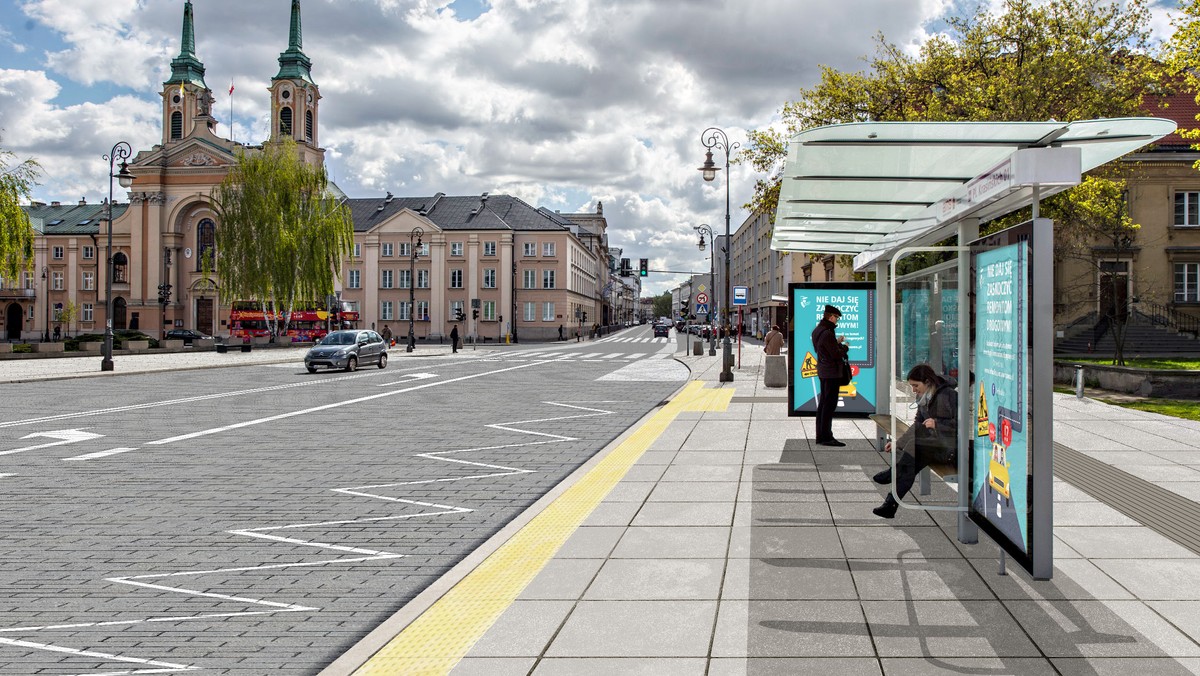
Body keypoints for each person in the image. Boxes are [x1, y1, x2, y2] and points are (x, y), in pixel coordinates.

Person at [872, 364, 959, 519]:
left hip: (948, 448)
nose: (913, 390)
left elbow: (963, 425)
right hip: (930, 445)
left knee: (911, 451)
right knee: (909, 462)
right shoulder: (924, 396)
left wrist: (937, 424)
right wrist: (898, 443)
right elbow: (918, 423)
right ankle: (890, 504)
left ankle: (893, 479)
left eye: (916, 386)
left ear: (927, 381)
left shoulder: (948, 395)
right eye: (911, 386)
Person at [811, 305, 848, 447]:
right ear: (831, 317)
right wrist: (844, 347)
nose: (837, 321)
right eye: (836, 318)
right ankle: (826, 437)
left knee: (823, 404)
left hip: (823, 371)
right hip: (831, 373)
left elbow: (822, 349)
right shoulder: (827, 332)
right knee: (829, 405)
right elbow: (835, 354)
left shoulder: (818, 330)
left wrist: (836, 342)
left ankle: (821, 435)